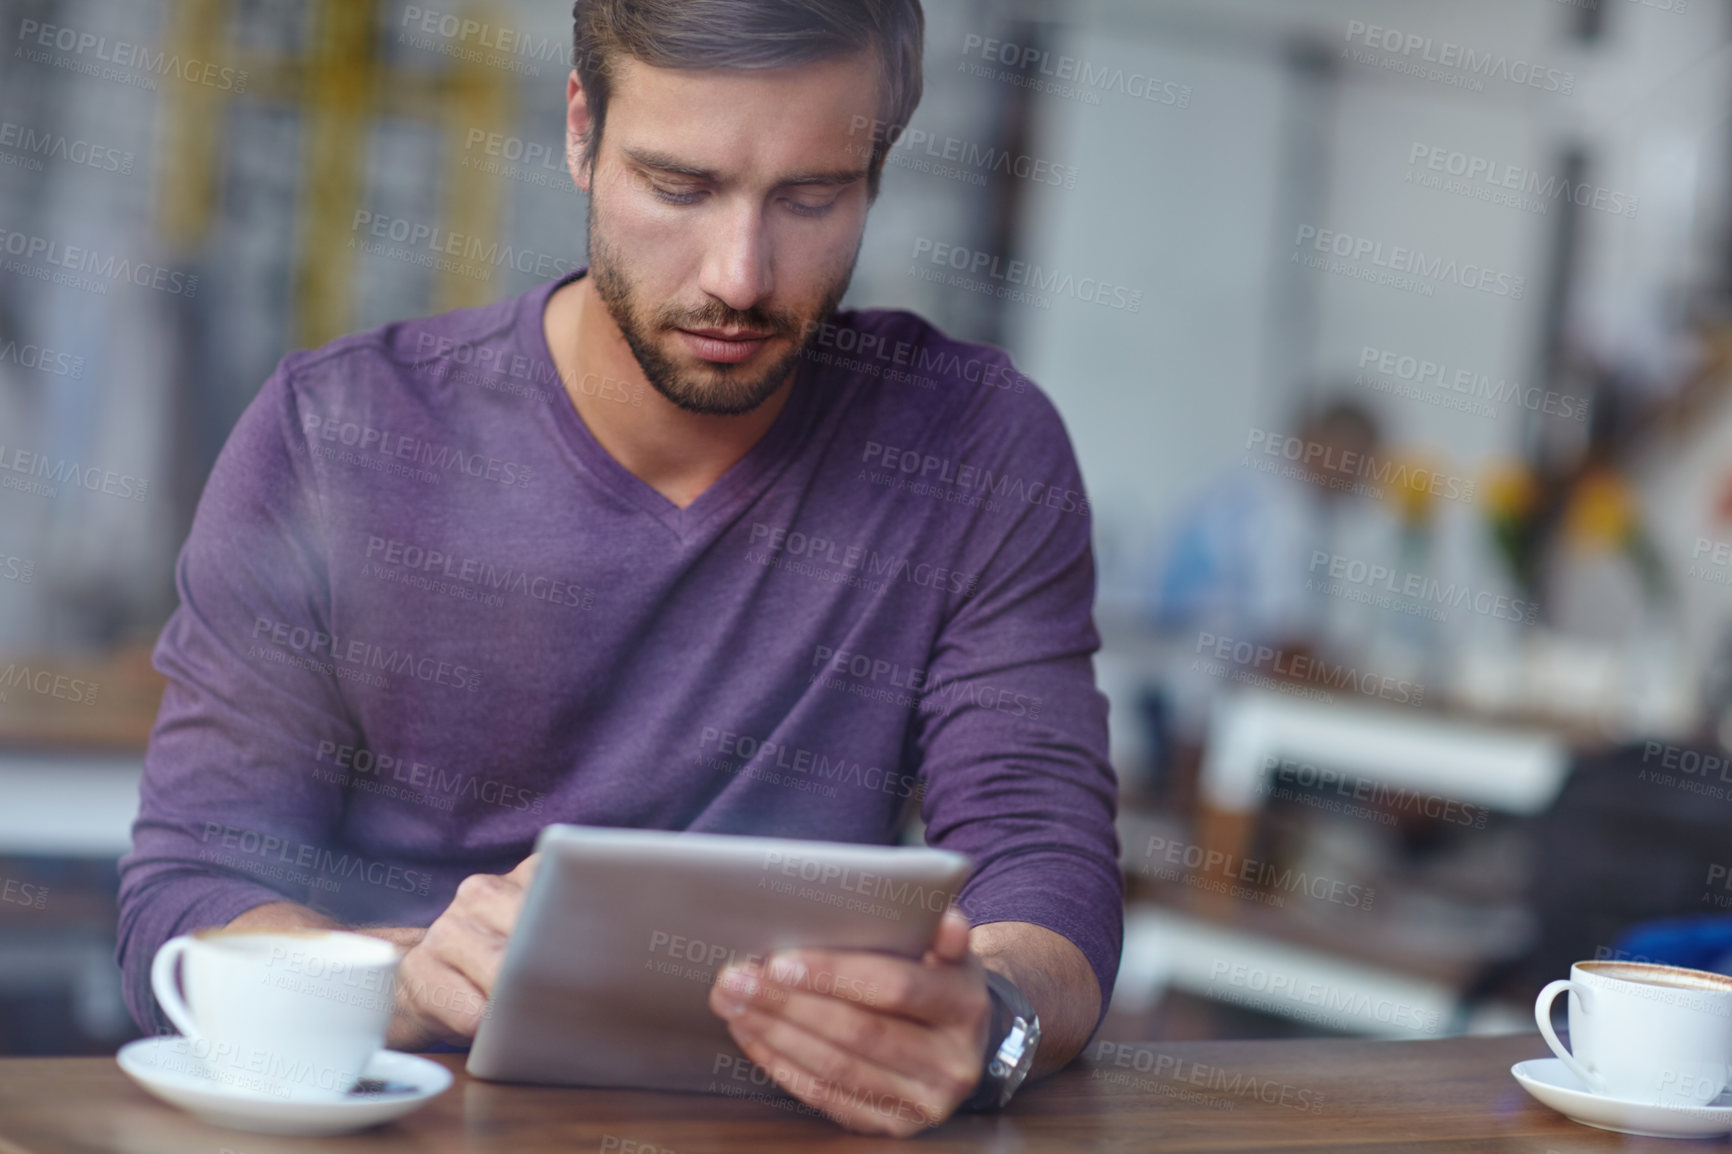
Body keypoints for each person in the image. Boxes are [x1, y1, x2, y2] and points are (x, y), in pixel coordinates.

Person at [116, 0, 1121, 1136]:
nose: (740, 275)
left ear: (877, 168)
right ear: (582, 132)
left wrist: (989, 1020)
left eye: (811, 196)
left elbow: (1042, 861)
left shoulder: (972, 450)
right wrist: (396, 980)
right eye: (679, 188)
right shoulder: (334, 434)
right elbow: (188, 892)